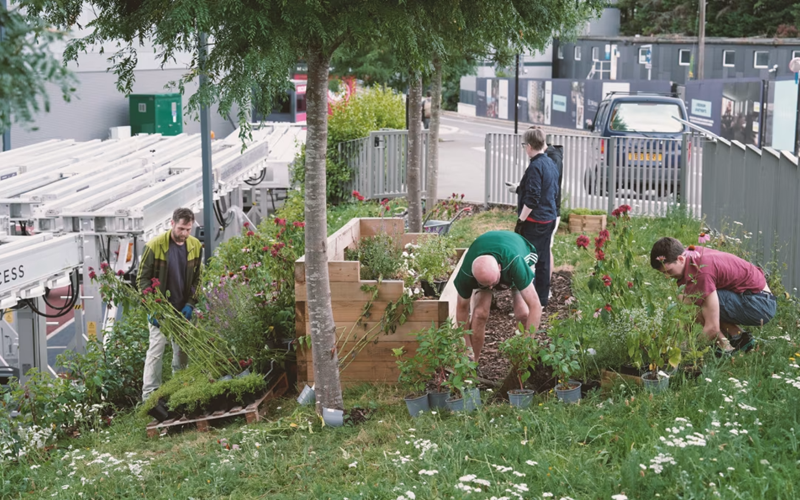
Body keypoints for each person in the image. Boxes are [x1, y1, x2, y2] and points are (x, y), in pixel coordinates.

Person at [650, 237, 776, 354]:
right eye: (664, 273)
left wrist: (686, 350)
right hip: (752, 296)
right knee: (689, 298)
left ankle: (724, 346)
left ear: (681, 259)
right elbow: (685, 308)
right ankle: (737, 337)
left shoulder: (701, 272)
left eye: (669, 271)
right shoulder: (691, 255)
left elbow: (711, 328)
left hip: (760, 304)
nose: (667, 276)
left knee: (698, 299)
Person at [139, 208, 204, 400]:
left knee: (182, 351)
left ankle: (180, 388)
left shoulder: (195, 246)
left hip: (182, 309)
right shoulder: (154, 246)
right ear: (172, 224)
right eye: (181, 228)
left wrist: (191, 304)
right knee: (156, 351)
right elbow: (142, 280)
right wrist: (152, 308)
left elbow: (198, 279)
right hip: (160, 310)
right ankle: (150, 396)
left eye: (188, 229)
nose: (184, 233)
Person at [454, 231, 542, 362]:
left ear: (500, 268)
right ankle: (472, 363)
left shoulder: (516, 262)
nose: (492, 289)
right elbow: (462, 309)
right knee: (479, 314)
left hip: (518, 256)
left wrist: (527, 344)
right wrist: (466, 345)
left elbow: (535, 305)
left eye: (493, 284)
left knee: (523, 314)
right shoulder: (466, 274)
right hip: (487, 270)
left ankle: (520, 364)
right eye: (487, 285)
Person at [516, 127, 559, 308]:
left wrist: (521, 220)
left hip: (535, 222)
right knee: (543, 260)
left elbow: (532, 198)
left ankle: (528, 303)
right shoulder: (551, 163)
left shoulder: (535, 166)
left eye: (525, 145)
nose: (525, 148)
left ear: (531, 145)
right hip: (549, 218)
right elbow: (553, 191)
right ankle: (542, 299)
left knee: (528, 261)